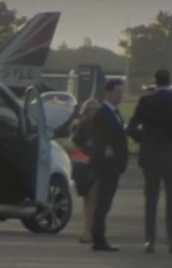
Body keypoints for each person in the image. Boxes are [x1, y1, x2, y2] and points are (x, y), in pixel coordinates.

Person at [127, 69, 172, 254]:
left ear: (155, 82)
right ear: (169, 81)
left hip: (151, 155)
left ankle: (150, 240)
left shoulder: (146, 101)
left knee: (151, 200)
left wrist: (145, 139)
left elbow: (131, 127)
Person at [89, 79, 128, 252]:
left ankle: (99, 237)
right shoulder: (102, 113)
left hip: (115, 166)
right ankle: (98, 239)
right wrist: (104, 149)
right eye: (118, 92)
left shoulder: (116, 113)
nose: (120, 96)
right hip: (106, 166)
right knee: (102, 203)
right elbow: (96, 137)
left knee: (106, 203)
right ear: (108, 93)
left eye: (122, 92)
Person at [66, 99, 100, 244]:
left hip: (95, 164)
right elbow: (71, 146)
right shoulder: (81, 126)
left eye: (96, 110)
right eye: (90, 109)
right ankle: (89, 231)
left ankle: (89, 230)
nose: (93, 112)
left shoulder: (100, 126)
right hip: (85, 166)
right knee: (90, 199)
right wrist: (82, 155)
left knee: (92, 200)